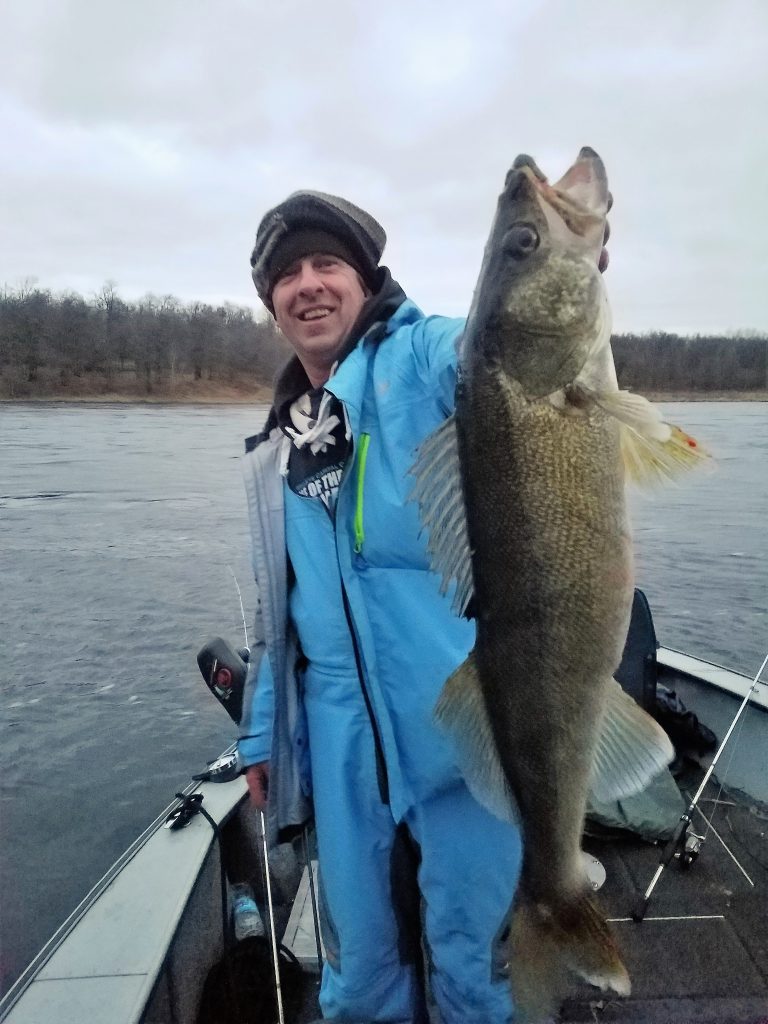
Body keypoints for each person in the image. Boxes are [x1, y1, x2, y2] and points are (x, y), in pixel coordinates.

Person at [238, 188, 608, 1023]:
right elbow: (278, 613)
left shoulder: (421, 357)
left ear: (366, 280)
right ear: (272, 307)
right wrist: (263, 729)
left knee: (473, 955)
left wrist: (552, 283)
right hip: (337, 732)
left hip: (457, 714)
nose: (308, 285)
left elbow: (493, 353)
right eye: (286, 275)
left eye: (326, 262)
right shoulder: (279, 441)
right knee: (360, 964)